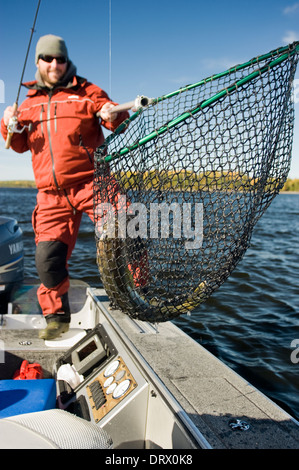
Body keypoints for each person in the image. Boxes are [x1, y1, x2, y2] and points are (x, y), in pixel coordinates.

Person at [1, 34, 130, 340]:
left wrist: (111, 112)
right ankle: (57, 315)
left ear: (67, 61)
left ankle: (140, 291)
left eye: (60, 59)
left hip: (93, 183)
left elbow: (117, 120)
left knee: (128, 229)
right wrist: (8, 121)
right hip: (50, 195)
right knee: (47, 259)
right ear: (38, 63)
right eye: (48, 59)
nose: (55, 64)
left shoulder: (87, 91)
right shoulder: (28, 105)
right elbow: (16, 145)